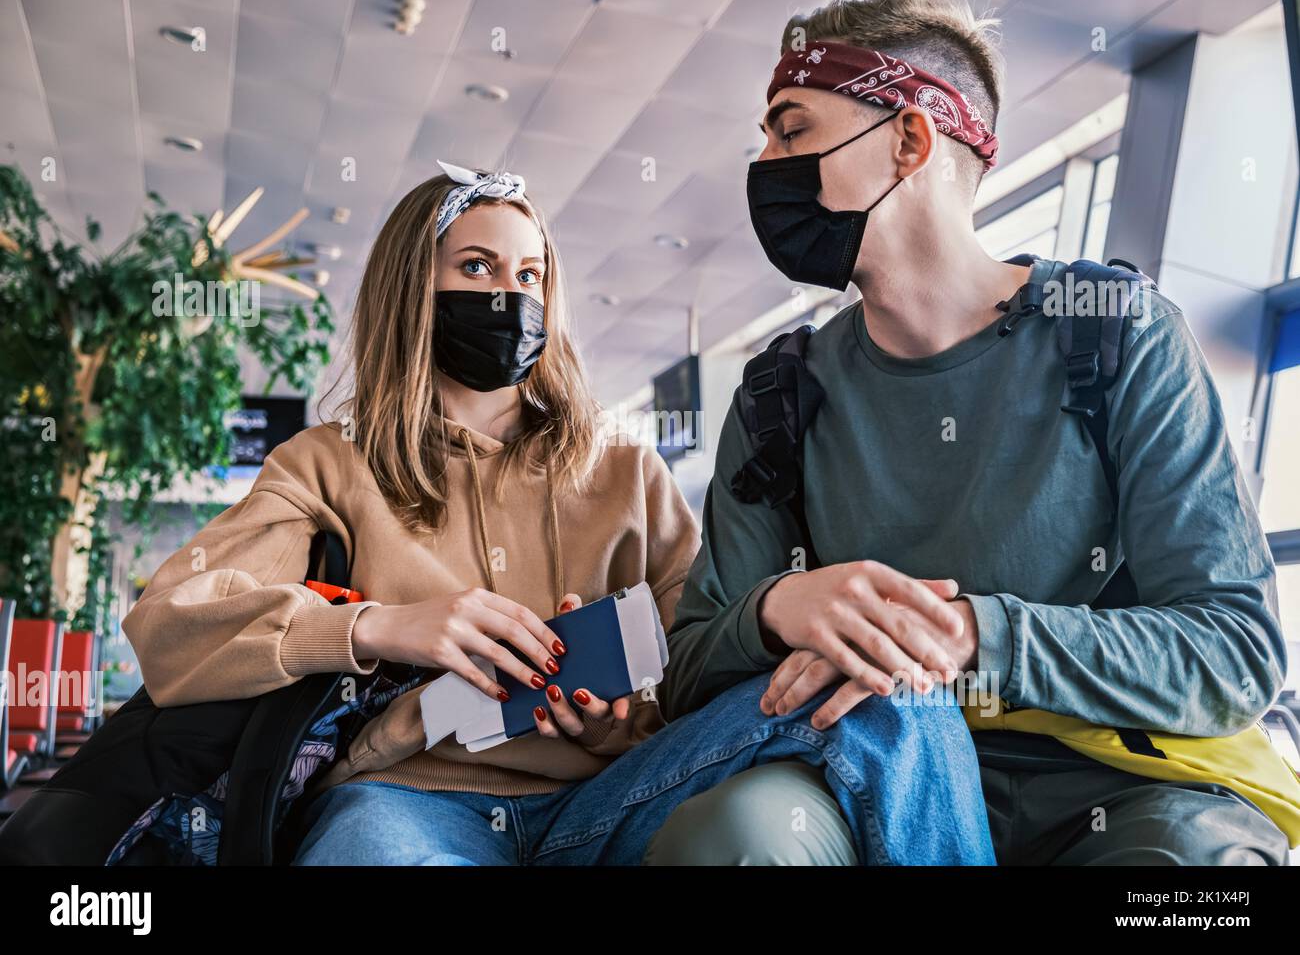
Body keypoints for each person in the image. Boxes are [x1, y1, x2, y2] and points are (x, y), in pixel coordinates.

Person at [122, 161, 994, 865]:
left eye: (530, 273)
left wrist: (626, 717)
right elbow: (172, 625)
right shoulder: (329, 465)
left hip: (611, 798)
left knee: (897, 688)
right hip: (409, 801)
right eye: (477, 267)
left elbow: (698, 655)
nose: (512, 294)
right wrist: (385, 628)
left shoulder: (625, 471)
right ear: (410, 293)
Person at [654, 0, 1295, 865]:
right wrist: (776, 612)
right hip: (871, 767)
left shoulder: (1115, 334)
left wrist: (974, 635)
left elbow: (1235, 650)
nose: (765, 166)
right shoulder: (779, 395)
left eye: (791, 131)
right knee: (733, 839)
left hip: (1125, 783)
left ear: (910, 141)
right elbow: (689, 669)